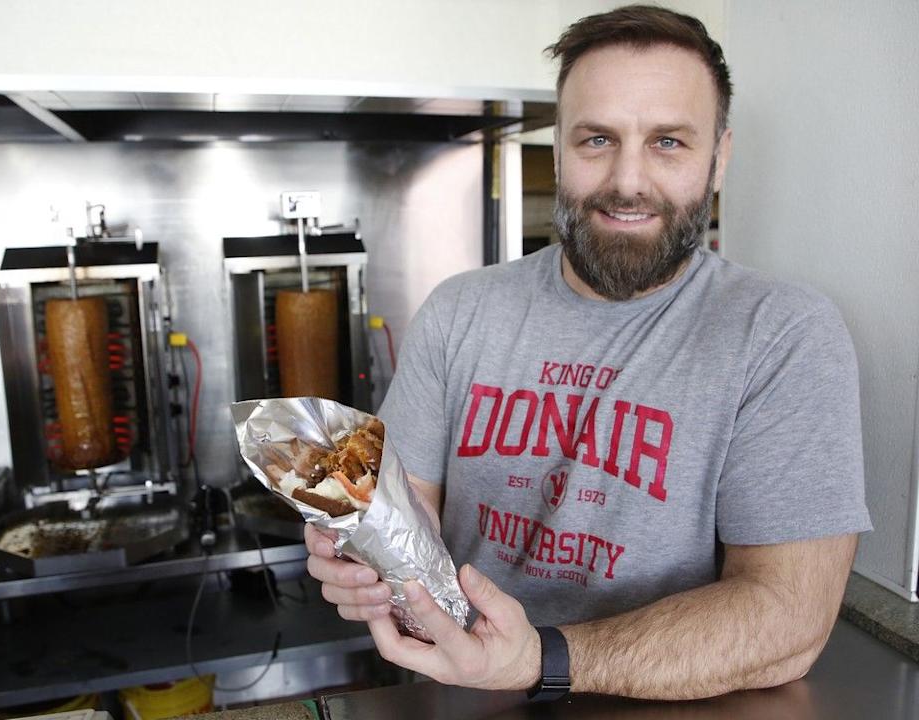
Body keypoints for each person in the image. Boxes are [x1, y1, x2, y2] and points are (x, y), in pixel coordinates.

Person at [304, 4, 872, 701]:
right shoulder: (460, 311)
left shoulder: (783, 335)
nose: (628, 181)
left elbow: (788, 618)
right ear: (558, 147)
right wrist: (364, 561)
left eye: (668, 142)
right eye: (597, 139)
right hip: (459, 698)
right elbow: (397, 511)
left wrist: (537, 660)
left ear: (719, 157)